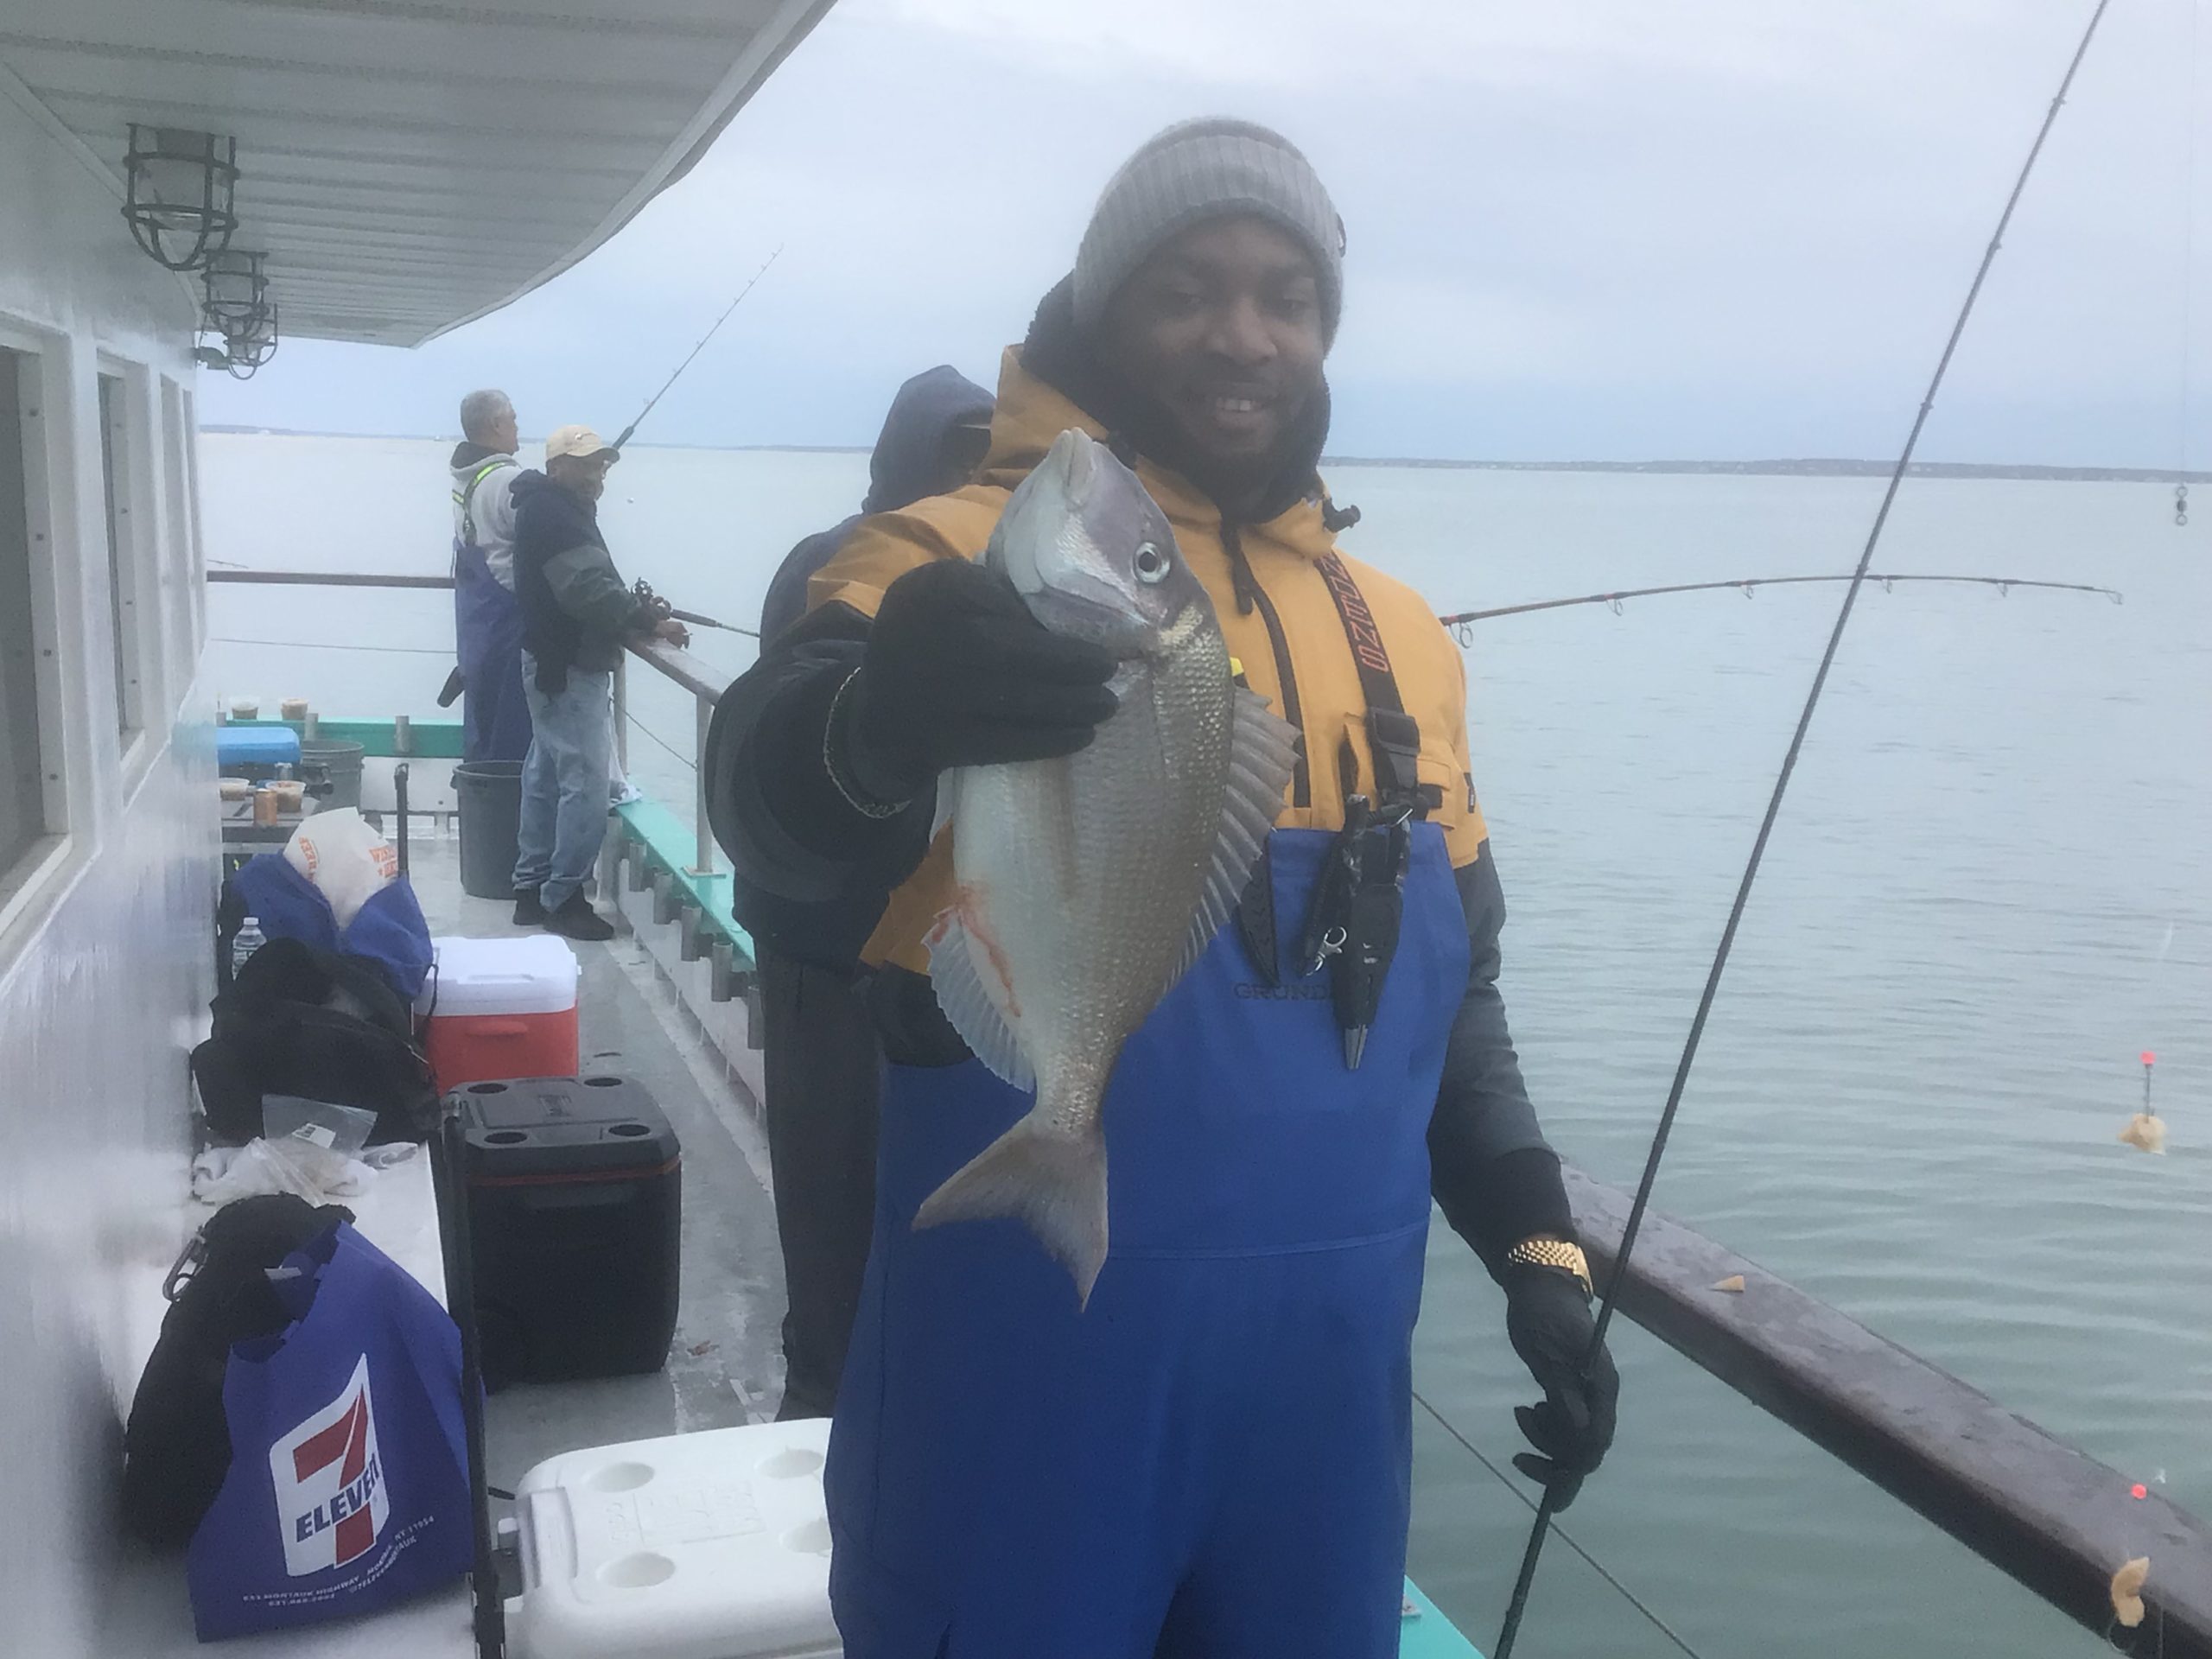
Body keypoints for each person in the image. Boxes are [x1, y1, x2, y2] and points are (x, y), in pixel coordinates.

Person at [706, 119, 1618, 1658]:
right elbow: (771, 811)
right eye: (1190, 288)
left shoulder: (1399, 637)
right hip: (1018, 1397)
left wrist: (1536, 1251)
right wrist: (871, 727)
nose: (1244, 336)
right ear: (1105, 308)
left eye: (1288, 296)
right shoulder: (939, 555)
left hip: (1325, 1429)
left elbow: (1457, 998)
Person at [744, 365, 994, 1421]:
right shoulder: (837, 565)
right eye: (957, 452)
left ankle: (874, 1385)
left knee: (888, 1187)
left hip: (931, 958)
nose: (970, 476)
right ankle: (822, 1391)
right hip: (824, 942)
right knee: (832, 1185)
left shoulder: (974, 571)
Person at [510, 424, 687, 942]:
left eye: (602, 465)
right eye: (587, 464)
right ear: (557, 466)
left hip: (547, 660)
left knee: (545, 775)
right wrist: (649, 621)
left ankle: (530, 888)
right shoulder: (556, 513)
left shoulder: (549, 508)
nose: (598, 474)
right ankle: (564, 897)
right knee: (585, 784)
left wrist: (633, 611)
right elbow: (586, 587)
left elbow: (586, 584)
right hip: (568, 665)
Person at [448, 389, 531, 762]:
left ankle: (482, 810)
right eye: (513, 417)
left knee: (482, 728)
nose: (518, 425)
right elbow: (542, 538)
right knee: (512, 737)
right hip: (507, 631)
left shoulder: (462, 480)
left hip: (475, 633)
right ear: (496, 425)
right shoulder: (507, 481)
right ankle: (510, 816)